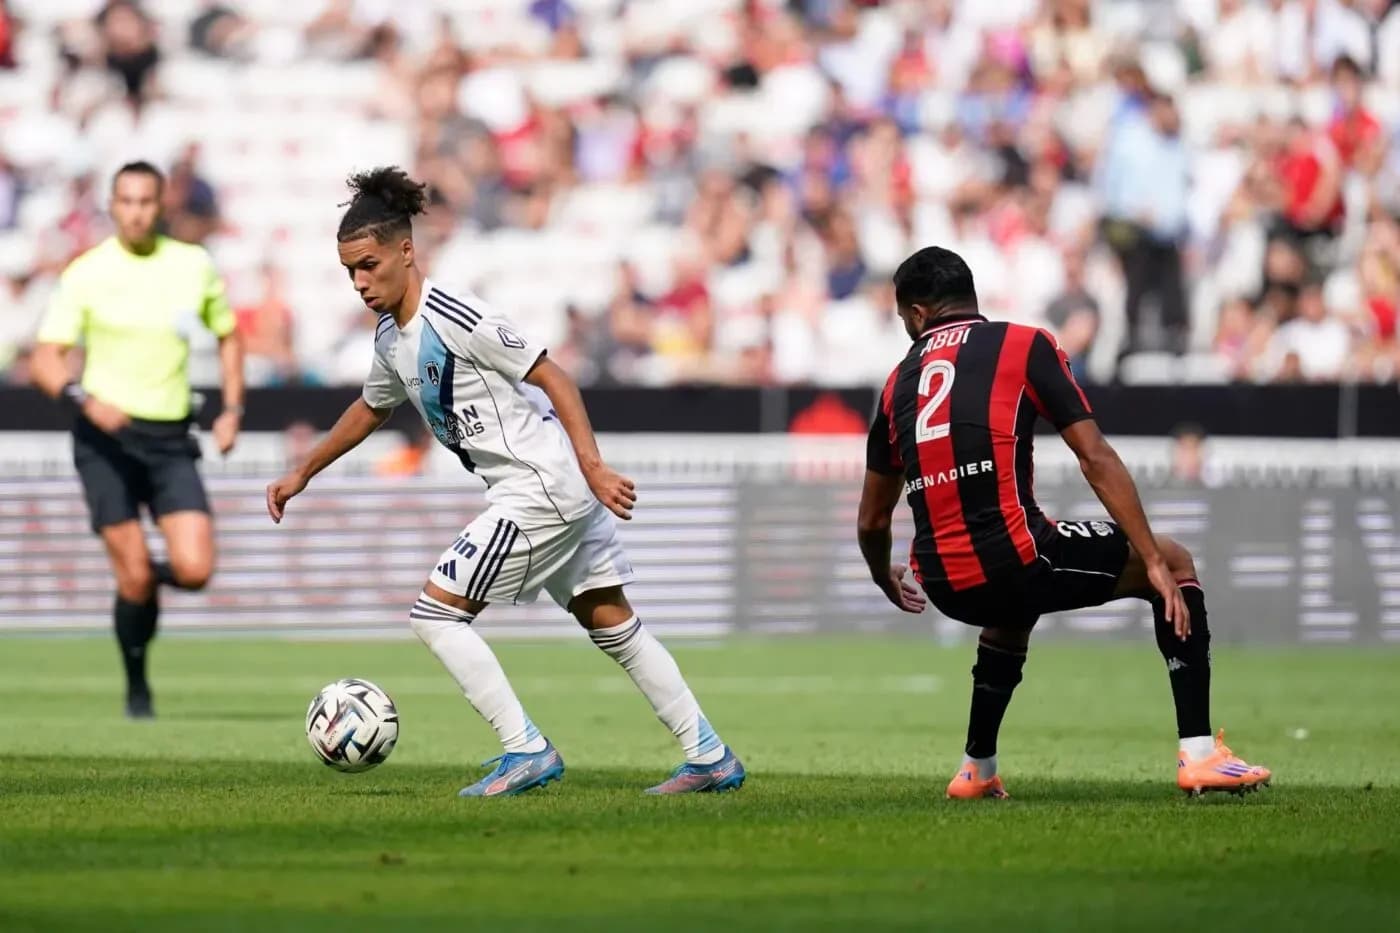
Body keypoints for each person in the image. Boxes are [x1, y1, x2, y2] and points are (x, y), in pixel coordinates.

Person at [265, 167, 744, 797]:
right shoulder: (391, 338)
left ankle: (526, 749)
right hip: (543, 485)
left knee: (435, 615)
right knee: (612, 624)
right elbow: (372, 408)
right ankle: (708, 754)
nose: (359, 282)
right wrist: (303, 470)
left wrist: (593, 466)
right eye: (349, 271)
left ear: (406, 252)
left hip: (541, 484)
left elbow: (555, 378)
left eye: (368, 265)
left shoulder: (456, 316)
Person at [855, 246, 1271, 799]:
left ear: (917, 314)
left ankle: (976, 770)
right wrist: (1149, 557)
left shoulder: (896, 383)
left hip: (939, 581)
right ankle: (1198, 755)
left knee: (1009, 607)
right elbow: (1093, 456)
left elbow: (872, 517)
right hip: (1015, 558)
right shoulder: (1023, 344)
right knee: (1173, 560)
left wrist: (883, 575)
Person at [31, 160, 245, 719]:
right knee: (133, 572)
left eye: (146, 201)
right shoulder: (86, 271)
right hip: (105, 440)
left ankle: (142, 580)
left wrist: (231, 410)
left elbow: (229, 336)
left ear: (161, 205)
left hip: (171, 437)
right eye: (126, 201)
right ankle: (136, 687)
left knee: (195, 570)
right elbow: (45, 359)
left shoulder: (192, 265)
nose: (136, 212)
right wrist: (85, 399)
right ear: (112, 205)